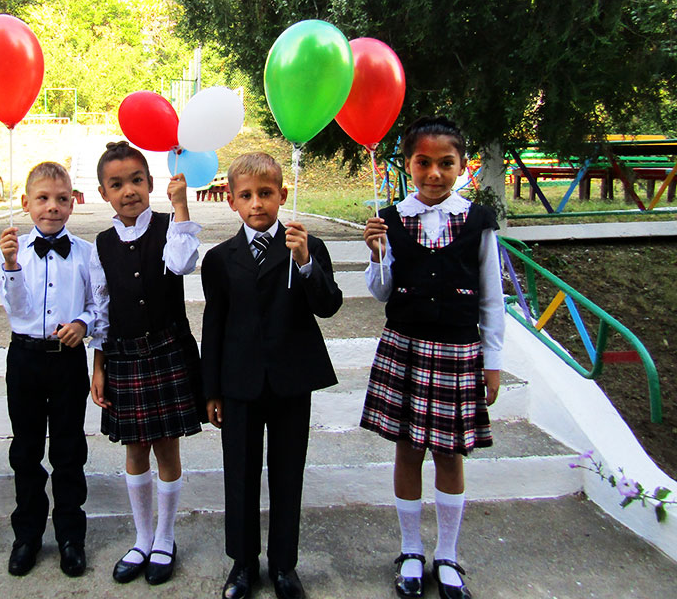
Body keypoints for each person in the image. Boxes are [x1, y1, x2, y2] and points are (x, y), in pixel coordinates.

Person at [360, 116, 504, 599]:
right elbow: (382, 292)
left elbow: (492, 297)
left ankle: (447, 554)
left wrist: (492, 361)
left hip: (458, 350)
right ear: (408, 164)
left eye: (446, 163)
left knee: (449, 453)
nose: (435, 174)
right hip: (404, 347)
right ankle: (410, 551)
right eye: (423, 163)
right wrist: (377, 253)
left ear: (462, 166)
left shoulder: (478, 221)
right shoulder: (390, 220)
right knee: (407, 450)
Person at [201, 152, 343, 599]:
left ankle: (284, 564)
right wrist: (211, 390)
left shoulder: (307, 246)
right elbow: (214, 325)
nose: (256, 203)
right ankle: (243, 563)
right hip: (239, 384)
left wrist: (305, 262)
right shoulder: (220, 259)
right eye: (246, 195)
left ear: (282, 195)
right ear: (231, 201)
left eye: (265, 194)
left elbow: (328, 305)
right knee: (240, 474)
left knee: (287, 473)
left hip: (290, 381)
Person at [89, 140, 205, 586]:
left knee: (166, 448)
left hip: (168, 351)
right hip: (123, 357)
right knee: (135, 450)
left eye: (136, 180)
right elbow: (101, 311)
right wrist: (98, 366)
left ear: (151, 183)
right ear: (104, 193)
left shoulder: (169, 227)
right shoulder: (102, 244)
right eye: (117, 184)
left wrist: (181, 208)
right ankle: (141, 538)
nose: (129, 191)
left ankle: (165, 537)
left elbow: (182, 263)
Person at [0, 162, 95, 578]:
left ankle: (71, 536)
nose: (52, 207)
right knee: (26, 449)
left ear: (72, 204)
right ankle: (28, 535)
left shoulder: (86, 253)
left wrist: (83, 324)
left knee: (69, 449)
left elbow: (97, 304)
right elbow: (15, 309)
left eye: (61, 199)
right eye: (42, 198)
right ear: (26, 203)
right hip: (25, 359)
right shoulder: (14, 250)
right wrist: (10, 265)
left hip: (67, 360)